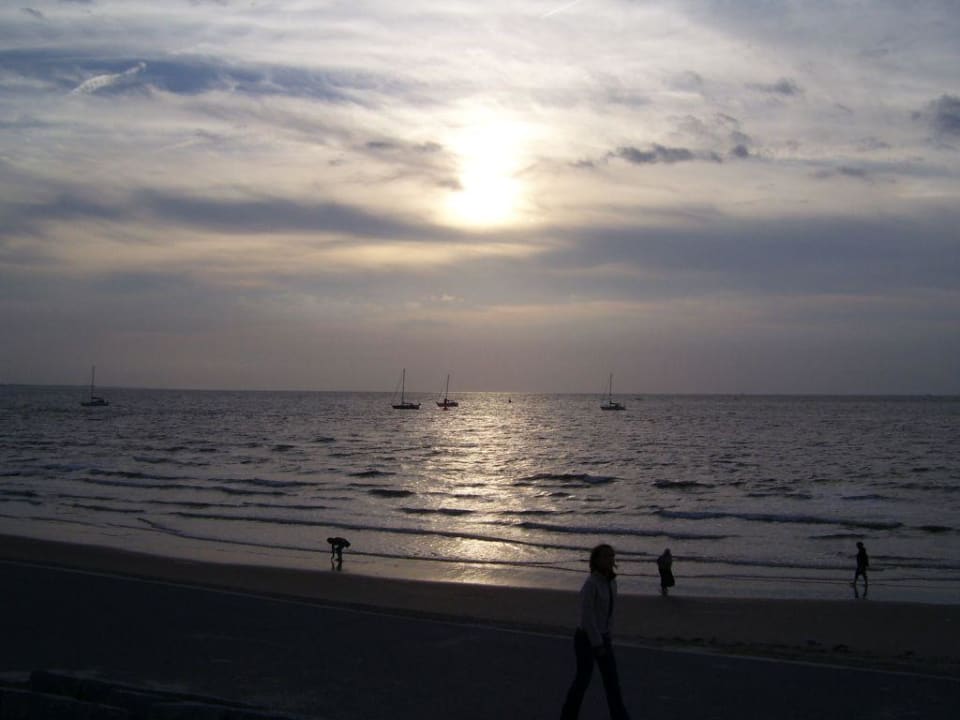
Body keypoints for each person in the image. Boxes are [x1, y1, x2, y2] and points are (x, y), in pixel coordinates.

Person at [560, 544, 631, 720]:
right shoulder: (591, 584)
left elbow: (609, 613)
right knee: (583, 680)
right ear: (597, 560)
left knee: (612, 682)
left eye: (612, 556)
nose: (610, 559)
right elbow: (587, 616)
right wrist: (597, 643)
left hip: (604, 637)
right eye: (606, 556)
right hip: (586, 639)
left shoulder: (612, 582)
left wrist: (608, 635)